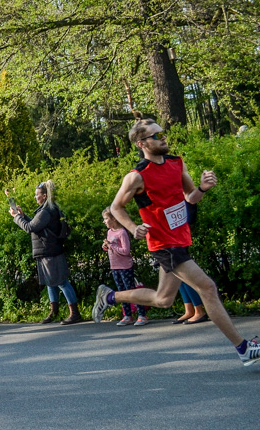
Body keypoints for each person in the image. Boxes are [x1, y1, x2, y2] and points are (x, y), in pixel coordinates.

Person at [93, 117, 260, 366]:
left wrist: (202, 188)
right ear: (142, 143)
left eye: (162, 133)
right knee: (208, 288)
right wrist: (133, 227)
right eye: (156, 136)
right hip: (164, 244)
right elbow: (116, 207)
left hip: (180, 239)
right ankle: (243, 348)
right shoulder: (137, 176)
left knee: (163, 299)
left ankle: (109, 297)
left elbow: (190, 197)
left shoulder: (176, 163)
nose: (163, 138)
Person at [10, 181, 81, 324]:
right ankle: (54, 311)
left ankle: (75, 313)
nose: (35, 197)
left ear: (45, 195)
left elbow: (29, 228)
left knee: (61, 282)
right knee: (51, 282)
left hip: (50, 250)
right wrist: (23, 216)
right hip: (49, 249)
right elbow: (37, 226)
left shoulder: (46, 211)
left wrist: (16, 217)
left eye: (37, 195)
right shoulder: (49, 209)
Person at [102, 207, 149, 326]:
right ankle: (127, 315)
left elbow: (126, 251)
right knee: (122, 292)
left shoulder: (122, 232)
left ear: (114, 219)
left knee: (131, 291)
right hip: (115, 266)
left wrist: (111, 246)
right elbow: (111, 247)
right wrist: (106, 247)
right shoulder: (109, 232)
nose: (104, 221)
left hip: (125, 266)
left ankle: (142, 315)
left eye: (106, 219)